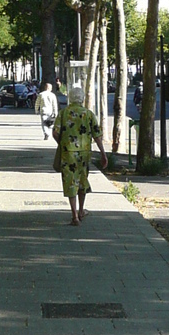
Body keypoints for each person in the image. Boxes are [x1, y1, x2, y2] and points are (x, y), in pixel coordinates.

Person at [52, 82, 107, 227]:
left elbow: (55, 132)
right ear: (82, 99)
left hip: (67, 153)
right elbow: (97, 135)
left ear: (70, 98)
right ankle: (81, 210)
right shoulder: (88, 114)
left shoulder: (63, 113)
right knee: (82, 180)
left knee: (70, 182)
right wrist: (103, 154)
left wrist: (62, 143)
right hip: (84, 154)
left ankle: (74, 215)